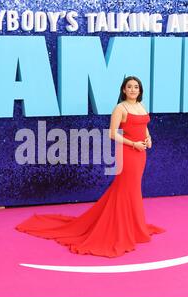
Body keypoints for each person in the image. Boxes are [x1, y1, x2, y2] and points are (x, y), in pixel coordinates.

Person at [15, 76, 165, 258]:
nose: (133, 90)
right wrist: (133, 144)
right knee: (126, 189)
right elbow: (112, 134)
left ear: (140, 90)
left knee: (131, 190)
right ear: (124, 90)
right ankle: (120, 228)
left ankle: (133, 227)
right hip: (128, 153)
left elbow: (145, 126)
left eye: (136, 87)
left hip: (141, 153)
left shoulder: (141, 107)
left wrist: (149, 139)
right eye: (129, 87)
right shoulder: (120, 108)